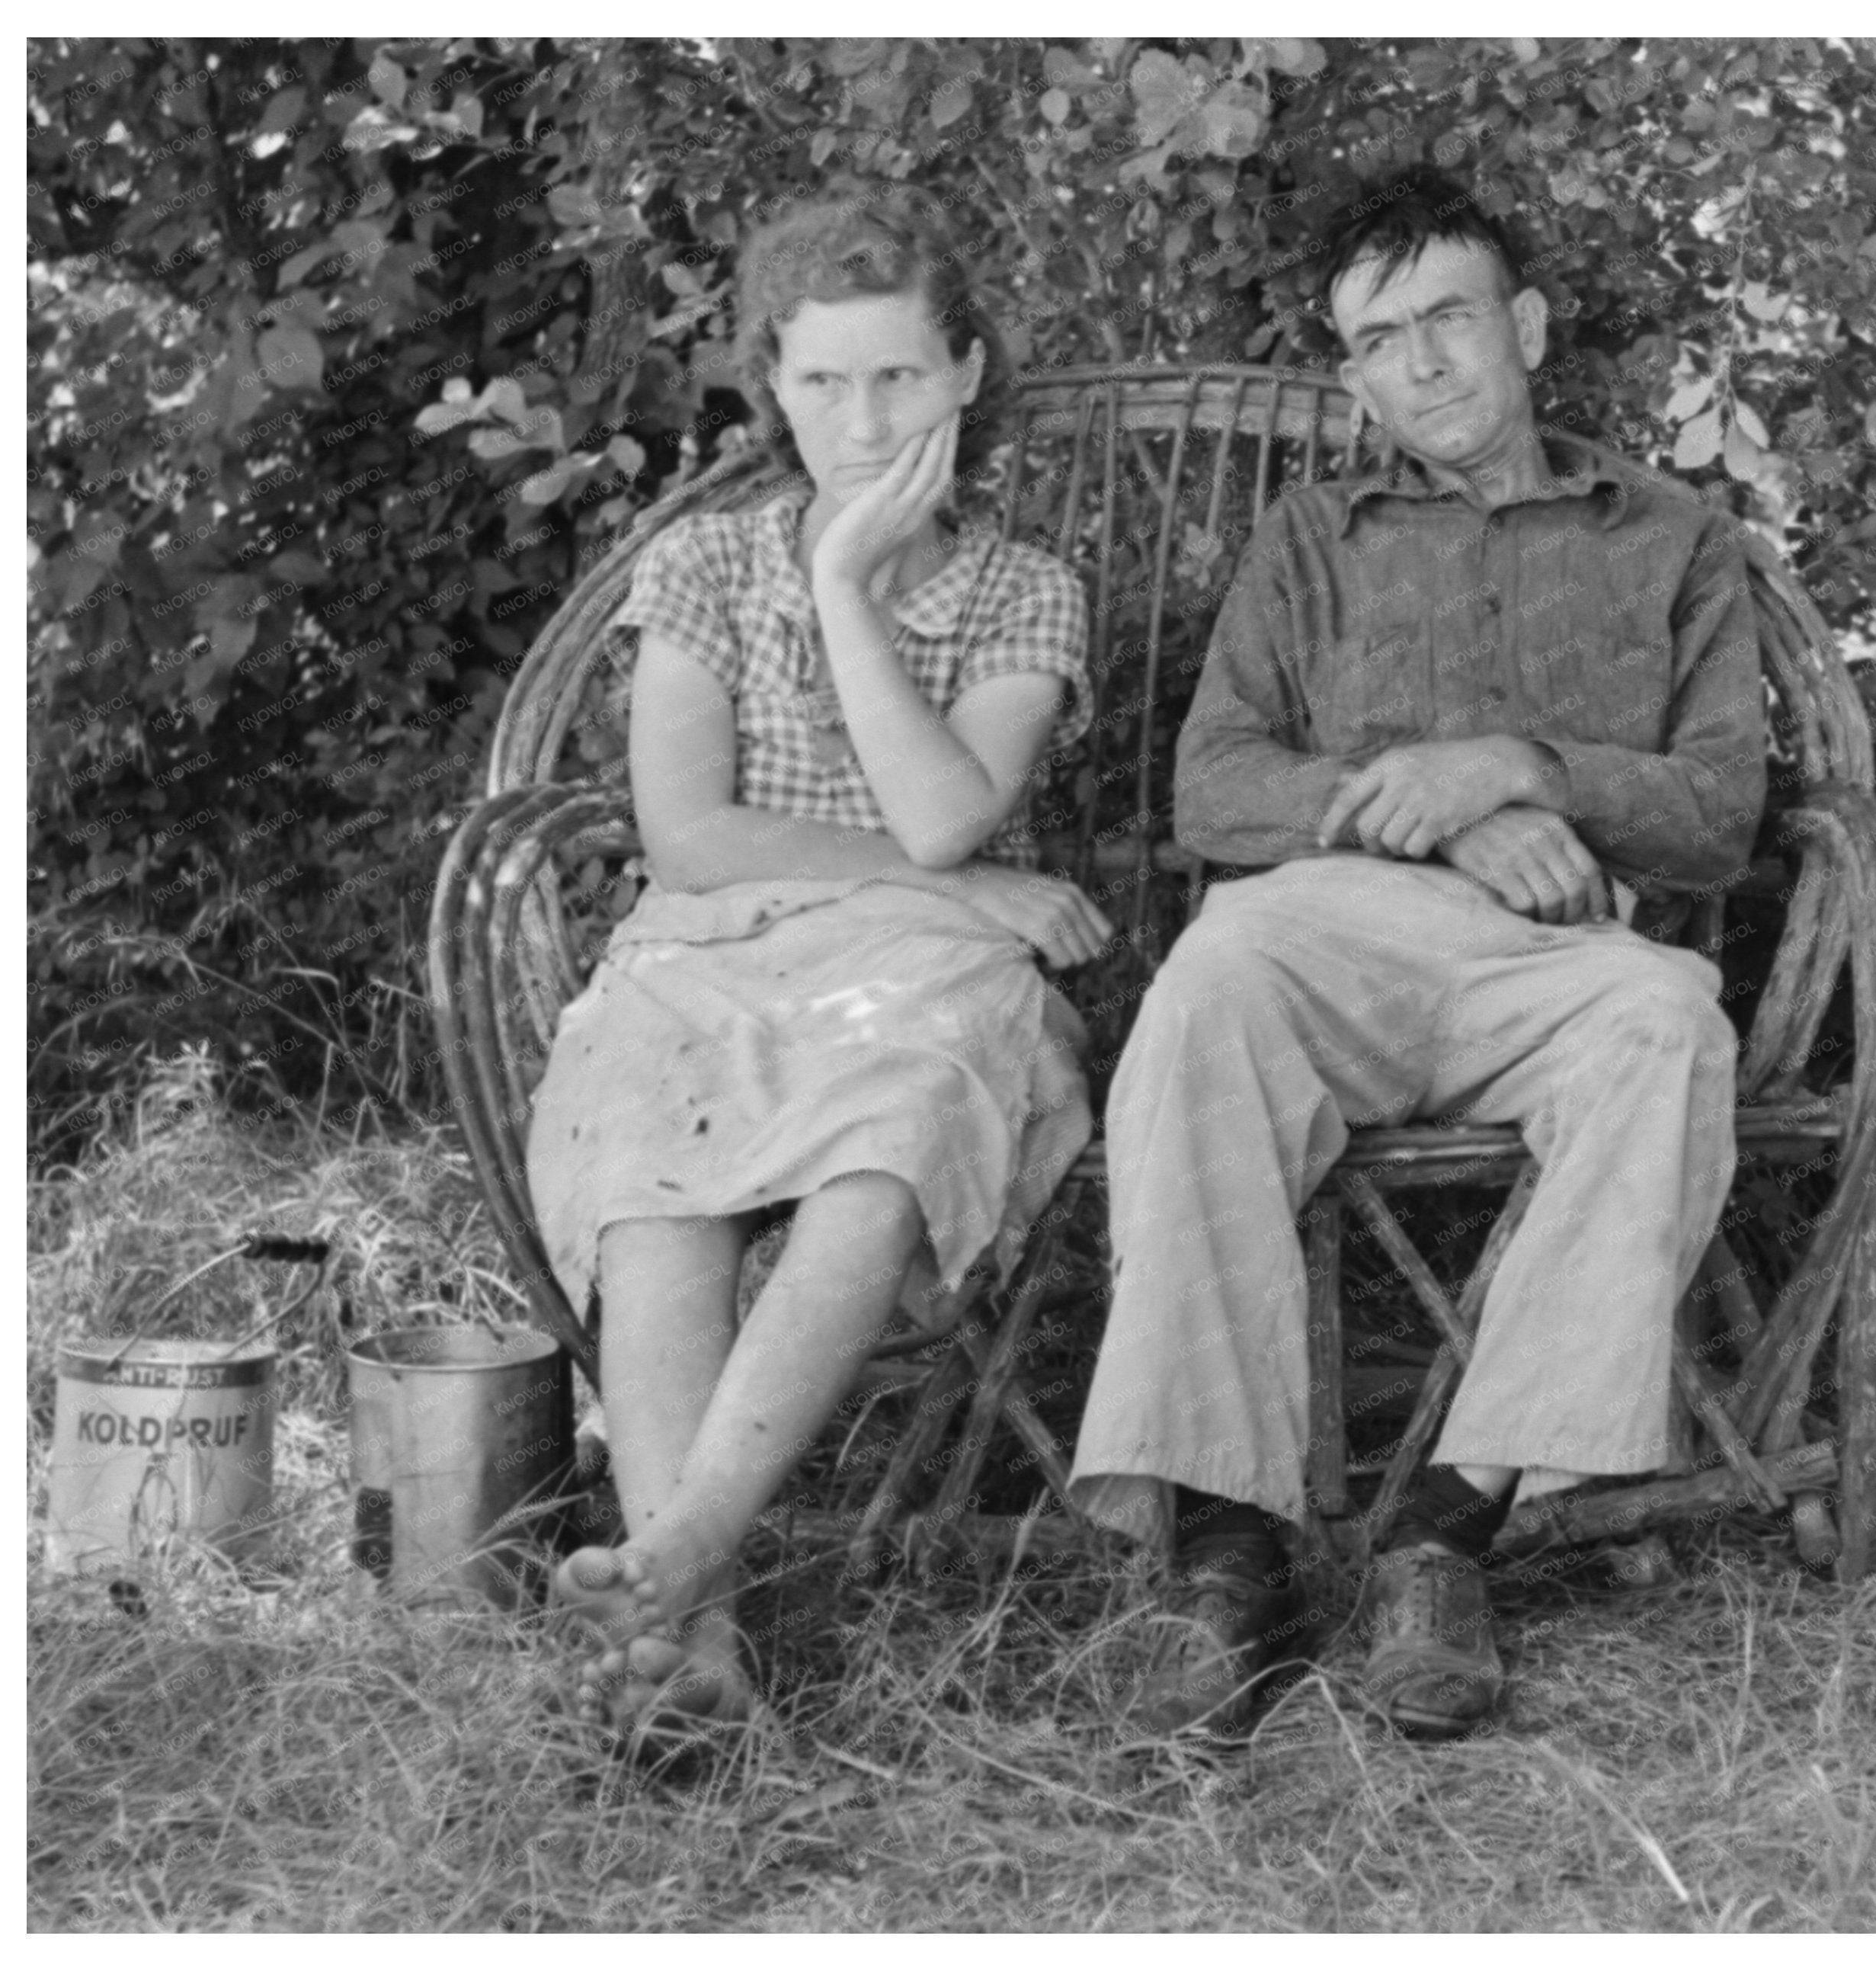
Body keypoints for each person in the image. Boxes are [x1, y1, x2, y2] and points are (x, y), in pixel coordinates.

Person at [1069, 169, 1767, 1741]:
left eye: (1449, 318)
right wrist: (1430, 812)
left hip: (1562, 949)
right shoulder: (1312, 538)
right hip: (1328, 935)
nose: (1425, 364)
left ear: (1520, 325)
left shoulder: (1669, 538)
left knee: (1670, 1028)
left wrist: (1523, 762)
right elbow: (1212, 787)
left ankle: (1444, 1530)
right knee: (1204, 996)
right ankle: (1224, 1554)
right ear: (1353, 375)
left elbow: (1719, 813)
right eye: (1381, 342)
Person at [527, 184, 1109, 1752]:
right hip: (711, 953)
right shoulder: (708, 568)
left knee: (897, 1128)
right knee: (658, 1163)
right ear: (770, 386)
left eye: (901, 376)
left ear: (968, 375)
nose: (862, 420)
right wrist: (982, 879)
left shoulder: (1020, 590)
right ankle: (696, 1646)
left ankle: (690, 1543)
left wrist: (847, 586)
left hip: (924, 971)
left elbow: (934, 815)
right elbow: (690, 837)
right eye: (823, 381)